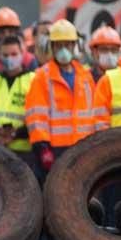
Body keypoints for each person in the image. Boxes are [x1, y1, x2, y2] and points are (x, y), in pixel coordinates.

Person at [25, 19, 95, 179]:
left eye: (68, 44)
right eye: (59, 45)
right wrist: (42, 148)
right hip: (55, 150)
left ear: (74, 45)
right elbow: (36, 117)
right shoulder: (42, 77)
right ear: (52, 47)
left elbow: (93, 113)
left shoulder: (85, 76)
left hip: (82, 148)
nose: (64, 49)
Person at [0, 35, 36, 167]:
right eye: (5, 55)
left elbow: (37, 117)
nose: (9, 58)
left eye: (14, 54)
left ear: (22, 54)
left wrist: (16, 134)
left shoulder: (33, 80)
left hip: (25, 150)